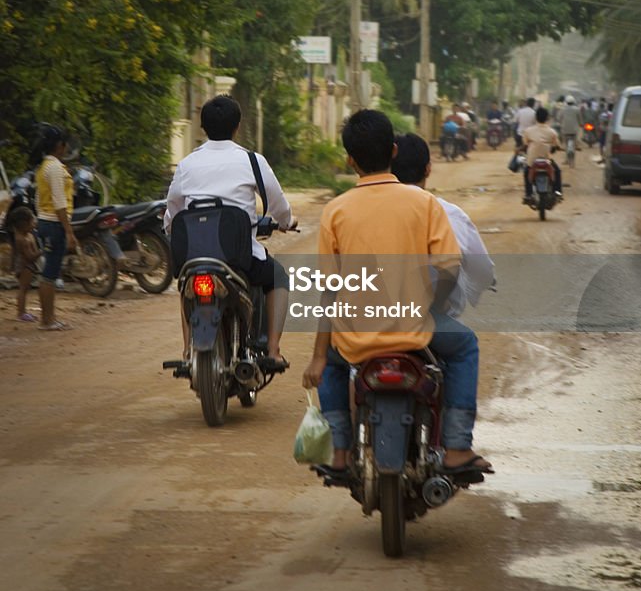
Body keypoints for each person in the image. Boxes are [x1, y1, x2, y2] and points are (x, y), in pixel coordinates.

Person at [302, 109, 493, 481]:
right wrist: (430, 308)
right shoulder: (425, 204)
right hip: (415, 327)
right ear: (392, 151)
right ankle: (456, 447)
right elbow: (449, 267)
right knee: (465, 344)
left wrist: (317, 356)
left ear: (350, 160)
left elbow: (330, 288)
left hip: (354, 334)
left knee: (330, 365)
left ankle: (340, 453)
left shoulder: (335, 211)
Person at [164, 95, 297, 360]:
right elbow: (278, 204)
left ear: (203, 128)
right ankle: (272, 349)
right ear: (237, 127)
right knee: (279, 277)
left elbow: (172, 213)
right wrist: (287, 222)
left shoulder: (186, 164)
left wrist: (171, 231)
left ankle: (188, 350)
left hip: (195, 256)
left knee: (186, 286)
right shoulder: (251, 161)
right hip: (239, 257)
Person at [391, 133, 496, 318]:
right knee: (468, 345)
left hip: (379, 323)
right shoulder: (451, 214)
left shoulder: (362, 212)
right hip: (438, 323)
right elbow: (481, 269)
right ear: (428, 170)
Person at [31, 125, 76, 331]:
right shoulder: (56, 168)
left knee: (47, 273)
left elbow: (39, 199)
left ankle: (48, 318)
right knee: (50, 273)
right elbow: (59, 203)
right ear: (60, 146)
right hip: (54, 222)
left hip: (44, 220)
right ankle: (48, 320)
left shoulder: (43, 167)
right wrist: (69, 231)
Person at [6, 206, 42, 321]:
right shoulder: (22, 239)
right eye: (32, 221)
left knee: (25, 289)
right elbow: (30, 256)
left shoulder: (29, 234)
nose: (35, 223)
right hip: (24, 267)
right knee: (23, 289)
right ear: (24, 224)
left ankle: (23, 312)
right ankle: (21, 313)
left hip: (28, 265)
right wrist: (44, 250)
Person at [522, 106, 562, 203]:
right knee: (557, 171)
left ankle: (528, 194)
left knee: (526, 172)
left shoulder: (528, 131)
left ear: (536, 118)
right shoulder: (552, 132)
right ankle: (557, 192)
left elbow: (525, 144)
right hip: (547, 159)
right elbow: (557, 145)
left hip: (532, 161)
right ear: (547, 118)